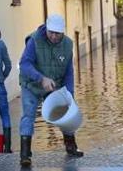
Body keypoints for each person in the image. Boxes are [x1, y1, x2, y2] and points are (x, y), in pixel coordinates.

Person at [18, 14, 83, 166]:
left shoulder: (68, 45)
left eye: (57, 33)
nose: (54, 36)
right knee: (28, 115)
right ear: (46, 29)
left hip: (54, 84)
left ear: (63, 32)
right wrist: (41, 78)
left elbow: (69, 71)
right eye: (51, 32)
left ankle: (71, 146)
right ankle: (25, 155)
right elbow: (24, 64)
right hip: (31, 84)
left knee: (66, 111)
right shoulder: (34, 40)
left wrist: (70, 94)